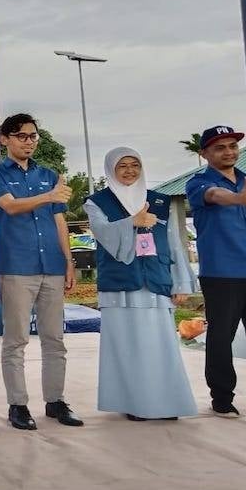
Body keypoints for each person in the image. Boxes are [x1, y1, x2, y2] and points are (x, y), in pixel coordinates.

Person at [0, 113, 83, 430]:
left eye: (33, 136)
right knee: (16, 340)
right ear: (5, 139)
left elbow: (59, 220)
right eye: (22, 136)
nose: (28, 141)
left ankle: (55, 401)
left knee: (55, 338)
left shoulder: (48, 174)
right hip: (17, 267)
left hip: (52, 265)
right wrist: (50, 196)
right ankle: (18, 405)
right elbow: (10, 206)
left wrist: (68, 261)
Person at [85, 147, 198, 420]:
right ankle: (136, 404)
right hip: (121, 285)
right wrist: (132, 222)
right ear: (111, 169)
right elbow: (101, 233)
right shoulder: (97, 202)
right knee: (128, 347)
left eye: (134, 164)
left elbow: (173, 243)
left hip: (156, 281)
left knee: (161, 346)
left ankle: (167, 403)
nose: (129, 170)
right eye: (122, 165)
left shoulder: (159, 201)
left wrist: (181, 282)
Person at [186, 125, 246, 418]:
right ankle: (221, 397)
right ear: (204, 153)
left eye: (232, 146)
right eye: (220, 147)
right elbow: (215, 195)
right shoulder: (198, 183)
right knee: (220, 336)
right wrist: (237, 199)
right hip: (223, 273)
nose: (228, 152)